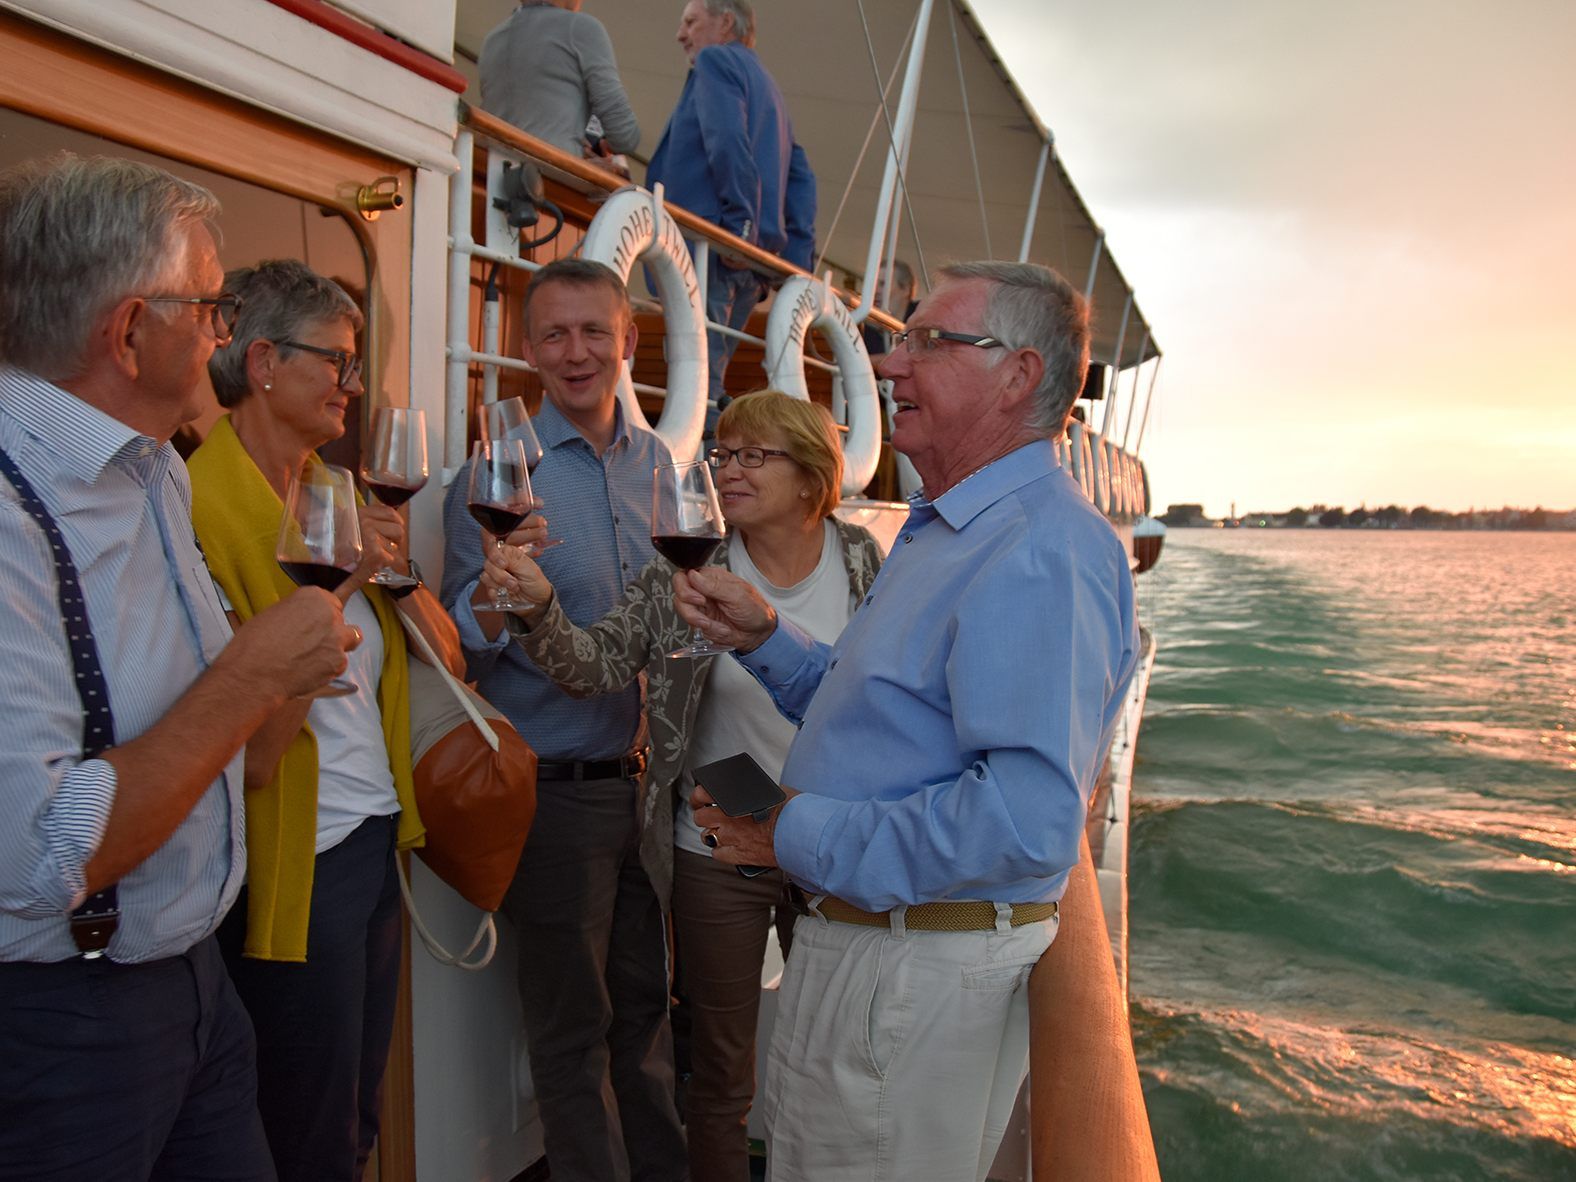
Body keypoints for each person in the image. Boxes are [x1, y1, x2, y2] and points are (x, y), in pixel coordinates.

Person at [673, 261, 1141, 1181]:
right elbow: (889, 721)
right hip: (870, 953)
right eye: (901, 339)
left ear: (1019, 375)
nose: (890, 367)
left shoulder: (1040, 553)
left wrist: (790, 832)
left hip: (912, 984)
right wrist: (767, 637)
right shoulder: (945, 532)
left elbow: (1024, 818)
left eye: (930, 342)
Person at [0, 154, 359, 1178]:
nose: (220, 335)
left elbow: (232, 757)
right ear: (127, 332)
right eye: (208, 309)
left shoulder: (151, 470)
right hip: (65, 1027)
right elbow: (37, 857)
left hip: (196, 991)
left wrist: (281, 673)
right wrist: (253, 674)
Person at [489, 391, 883, 1182]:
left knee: (840, 1054)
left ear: (811, 477)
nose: (727, 470)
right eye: (722, 454)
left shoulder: (865, 563)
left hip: (835, 839)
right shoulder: (685, 570)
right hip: (717, 839)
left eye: (751, 456)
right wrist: (538, 610)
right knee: (721, 1074)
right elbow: (594, 666)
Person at [186, 259, 462, 1181]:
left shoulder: (334, 494)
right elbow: (250, 753)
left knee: (353, 1114)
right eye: (336, 363)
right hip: (289, 857)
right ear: (261, 360)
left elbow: (449, 664)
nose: (351, 385)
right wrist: (338, 585)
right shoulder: (197, 507)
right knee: (302, 1126)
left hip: (370, 840)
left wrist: (398, 576)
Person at [439, 257, 685, 1182]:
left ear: (627, 342)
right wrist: (501, 588)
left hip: (643, 786)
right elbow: (463, 640)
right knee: (573, 1034)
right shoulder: (499, 472)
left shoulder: (658, 463)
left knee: (649, 1013)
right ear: (528, 349)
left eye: (594, 332)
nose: (575, 352)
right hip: (550, 799)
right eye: (554, 334)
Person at [646, 0, 816, 424]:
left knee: (695, 381)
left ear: (725, 23)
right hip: (747, 264)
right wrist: (793, 266)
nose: (680, 34)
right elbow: (801, 179)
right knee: (709, 376)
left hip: (713, 250)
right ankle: (700, 472)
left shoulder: (716, 60)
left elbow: (725, 138)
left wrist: (740, 225)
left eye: (690, 21)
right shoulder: (770, 88)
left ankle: (692, 477)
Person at [479, 0, 641, 168]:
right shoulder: (580, 27)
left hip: (491, 176)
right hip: (552, 180)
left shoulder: (492, 40)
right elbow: (625, 136)